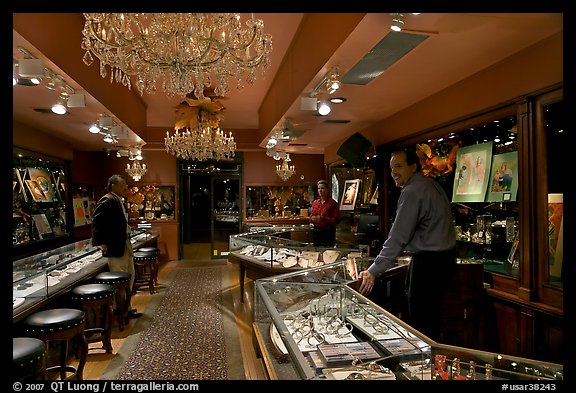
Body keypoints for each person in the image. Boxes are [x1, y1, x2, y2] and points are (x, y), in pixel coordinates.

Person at [358, 149, 456, 341]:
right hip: (446, 261)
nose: (394, 171)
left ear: (413, 166)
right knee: (433, 321)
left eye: (399, 166)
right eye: (391, 167)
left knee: (421, 325)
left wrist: (374, 270)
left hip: (428, 265)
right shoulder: (431, 185)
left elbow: (398, 237)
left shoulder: (412, 191)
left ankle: (424, 368)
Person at [92, 174, 142, 319]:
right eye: (122, 184)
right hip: (115, 247)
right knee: (120, 278)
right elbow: (97, 222)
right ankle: (120, 309)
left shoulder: (119, 200)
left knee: (130, 276)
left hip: (124, 243)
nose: (125, 187)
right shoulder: (107, 200)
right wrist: (102, 243)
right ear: (113, 185)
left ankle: (127, 306)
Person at [310, 179, 340, 247]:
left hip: (328, 231)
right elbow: (311, 216)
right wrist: (312, 219)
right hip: (316, 231)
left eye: (322, 188)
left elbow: (336, 219)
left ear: (327, 190)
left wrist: (323, 218)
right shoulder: (315, 202)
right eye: (319, 188)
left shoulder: (332, 203)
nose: (320, 190)